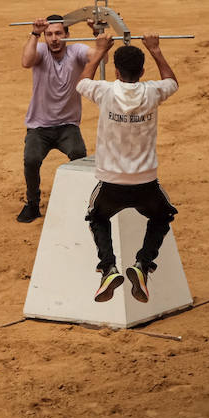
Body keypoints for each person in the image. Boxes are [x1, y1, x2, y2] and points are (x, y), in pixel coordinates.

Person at [76, 34, 178, 304]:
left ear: (117, 72)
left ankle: (108, 267)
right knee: (163, 215)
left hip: (111, 182)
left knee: (97, 217)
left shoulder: (106, 91)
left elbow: (83, 81)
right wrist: (155, 49)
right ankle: (143, 265)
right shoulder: (152, 91)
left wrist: (100, 50)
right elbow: (172, 82)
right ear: (142, 72)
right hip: (146, 182)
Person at [17, 15, 97, 224]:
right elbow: (26, 62)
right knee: (31, 160)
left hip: (67, 126)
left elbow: (100, 57)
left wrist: (97, 33)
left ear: (67, 35)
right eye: (49, 34)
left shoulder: (77, 50)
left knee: (79, 156)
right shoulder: (40, 50)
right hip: (39, 125)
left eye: (59, 33)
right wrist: (34, 33)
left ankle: (81, 201)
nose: (54, 39)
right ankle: (32, 204)